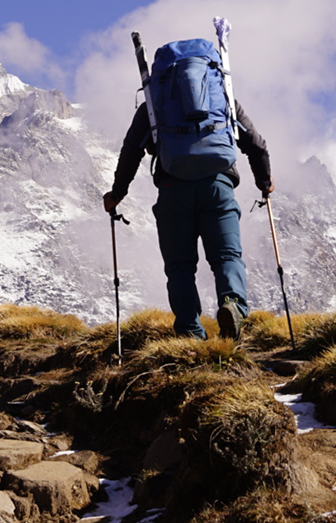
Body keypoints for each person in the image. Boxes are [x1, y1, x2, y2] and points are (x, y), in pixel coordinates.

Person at [103, 97, 273, 341]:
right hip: (218, 186)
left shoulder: (154, 101)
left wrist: (116, 194)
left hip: (173, 189)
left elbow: (131, 150)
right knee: (227, 256)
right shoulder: (223, 95)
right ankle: (232, 304)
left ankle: (190, 331)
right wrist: (265, 183)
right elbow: (255, 143)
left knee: (180, 267)